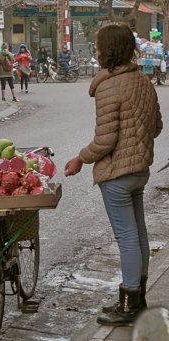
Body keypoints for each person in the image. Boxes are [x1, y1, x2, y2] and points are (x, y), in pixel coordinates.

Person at [65, 23, 163, 327]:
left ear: (108, 50)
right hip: (139, 170)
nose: (96, 50)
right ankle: (137, 298)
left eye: (98, 46)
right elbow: (156, 126)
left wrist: (80, 158)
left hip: (118, 174)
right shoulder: (142, 80)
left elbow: (105, 141)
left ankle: (129, 302)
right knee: (139, 234)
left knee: (127, 237)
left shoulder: (109, 86)